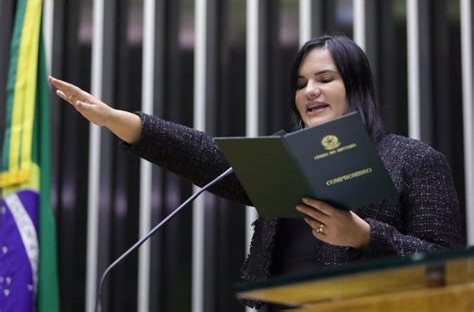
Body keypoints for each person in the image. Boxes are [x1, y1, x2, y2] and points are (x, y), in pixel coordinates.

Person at [48, 35, 463, 310]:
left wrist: (364, 236)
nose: (309, 91)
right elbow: (204, 155)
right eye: (300, 84)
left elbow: (447, 269)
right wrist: (117, 120)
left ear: (356, 86)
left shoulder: (413, 159)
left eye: (324, 78)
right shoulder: (282, 156)